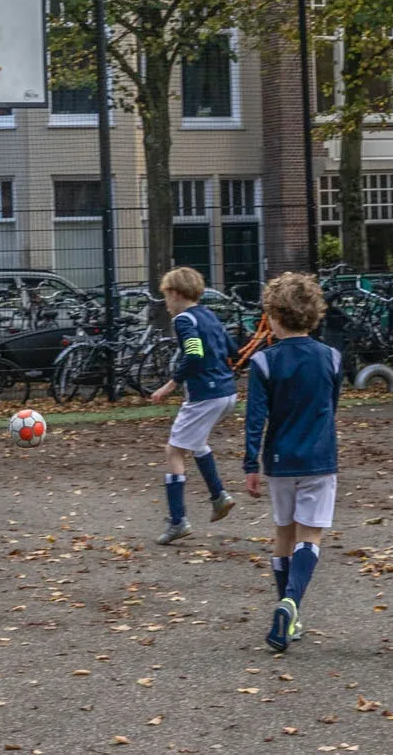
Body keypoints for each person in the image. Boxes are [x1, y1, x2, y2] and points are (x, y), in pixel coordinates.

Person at [242, 273, 341, 654]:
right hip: (319, 457)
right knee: (310, 536)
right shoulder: (331, 357)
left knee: (284, 532)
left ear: (273, 317)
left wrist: (251, 463)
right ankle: (292, 605)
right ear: (314, 315)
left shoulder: (264, 362)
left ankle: (288, 614)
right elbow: (332, 406)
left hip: (280, 460)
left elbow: (256, 418)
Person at [147, 266, 237, 544]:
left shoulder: (184, 320)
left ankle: (177, 521)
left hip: (206, 395)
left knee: (173, 450)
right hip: (227, 393)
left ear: (174, 294)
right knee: (197, 444)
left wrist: (169, 384)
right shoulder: (209, 315)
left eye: (166, 296)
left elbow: (194, 353)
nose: (166, 303)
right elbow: (232, 349)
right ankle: (219, 496)